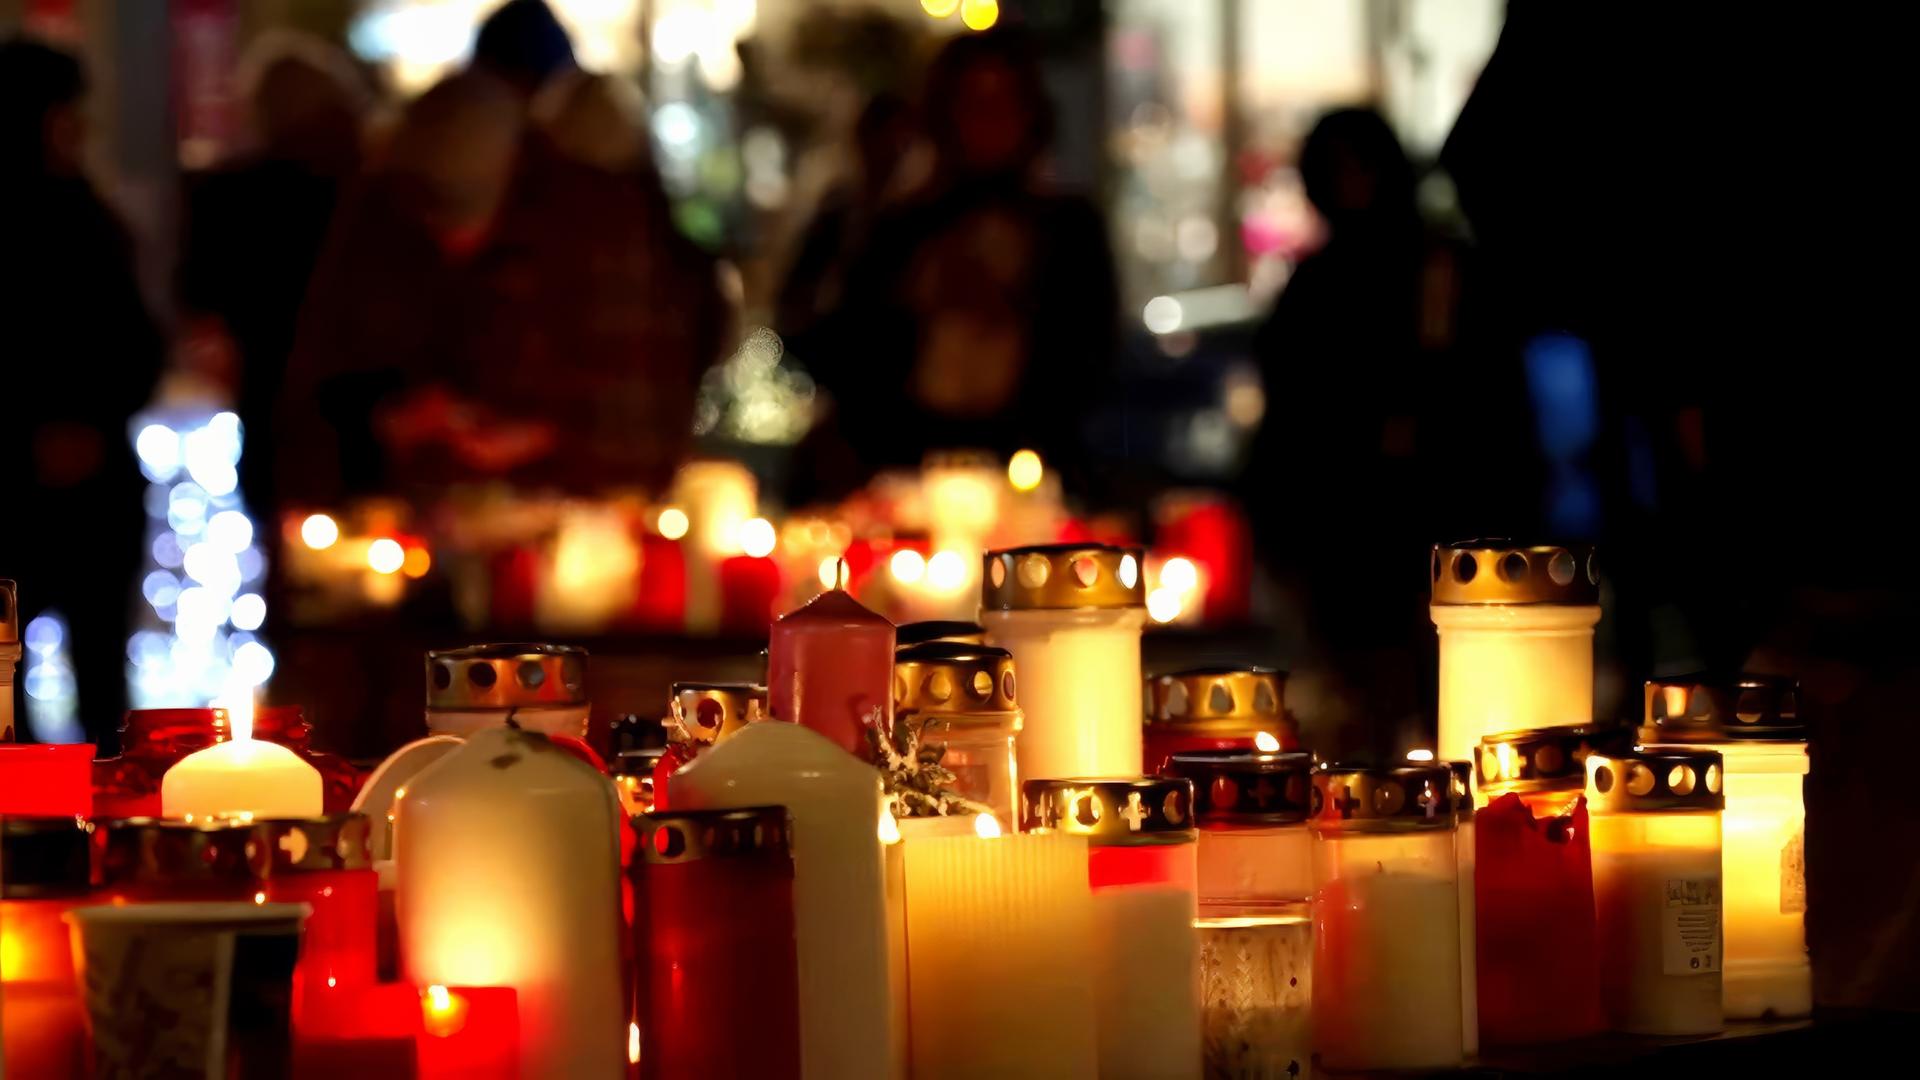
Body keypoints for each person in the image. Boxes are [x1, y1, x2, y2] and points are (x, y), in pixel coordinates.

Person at [281, 68, 719, 503]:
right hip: (429, 519)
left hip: (574, 522)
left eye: (460, 212)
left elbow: (644, 438)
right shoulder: (386, 233)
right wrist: (393, 421)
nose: (451, 237)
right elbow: (317, 406)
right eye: (431, 214)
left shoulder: (596, 237)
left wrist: (541, 439)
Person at [809, 29, 1119, 484]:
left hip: (1030, 467)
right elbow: (849, 347)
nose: (989, 121)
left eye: (1004, 102)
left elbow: (1089, 357)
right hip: (906, 465)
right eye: (973, 103)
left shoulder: (1069, 229)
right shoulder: (902, 228)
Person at [0, 38, 163, 742]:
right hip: (53, 479)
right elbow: (134, 341)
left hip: (81, 477)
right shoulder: (82, 213)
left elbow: (134, 343)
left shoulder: (84, 208)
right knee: (68, 674)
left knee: (46, 674)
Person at [178, 32, 369, 527]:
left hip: (271, 409)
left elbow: (198, 299)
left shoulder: (227, 198)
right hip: (359, 412)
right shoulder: (361, 196)